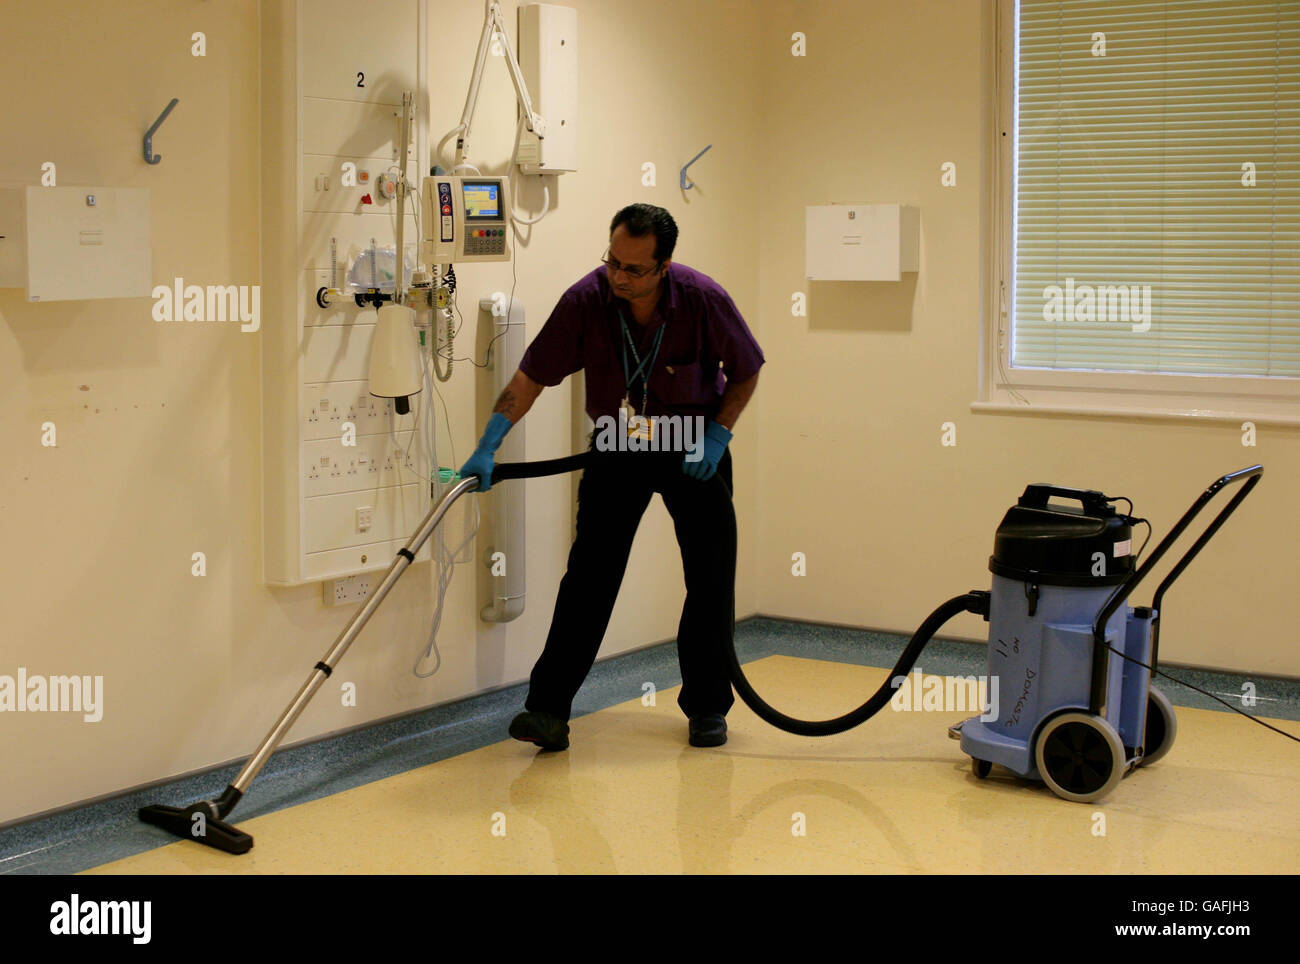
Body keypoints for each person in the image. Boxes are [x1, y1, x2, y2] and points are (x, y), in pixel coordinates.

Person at [459, 203, 764, 749]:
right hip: (618, 444)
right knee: (589, 578)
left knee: (710, 580)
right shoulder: (586, 300)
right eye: (613, 262)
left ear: (664, 265)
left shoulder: (703, 299)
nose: (619, 277)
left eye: (634, 269)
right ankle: (547, 710)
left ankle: (706, 708)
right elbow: (530, 377)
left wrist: (718, 437)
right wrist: (488, 445)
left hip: (696, 450)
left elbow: (746, 369)